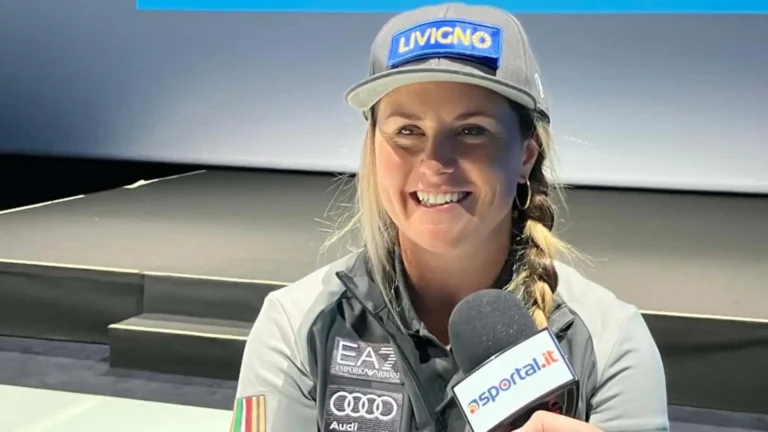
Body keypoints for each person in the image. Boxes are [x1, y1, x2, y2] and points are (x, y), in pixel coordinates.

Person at [232, 3, 669, 432]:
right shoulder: (294, 324)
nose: (435, 161)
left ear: (525, 156)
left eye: (471, 131)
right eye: (407, 131)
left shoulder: (610, 342)